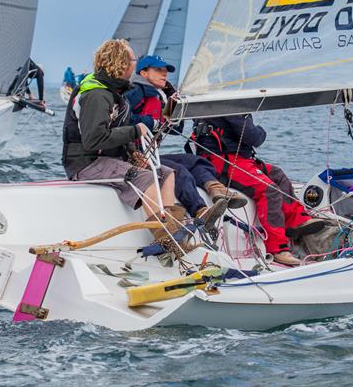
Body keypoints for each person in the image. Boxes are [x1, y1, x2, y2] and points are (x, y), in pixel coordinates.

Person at [61, 39, 186, 245]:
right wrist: (135, 131)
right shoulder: (97, 95)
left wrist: (131, 153)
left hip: (109, 159)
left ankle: (173, 227)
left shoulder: (114, 91)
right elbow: (93, 140)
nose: (135, 63)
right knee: (147, 178)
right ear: (121, 63)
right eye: (133, 59)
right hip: (86, 164)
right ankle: (168, 240)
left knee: (165, 173)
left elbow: (115, 128)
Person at [125, 55, 246, 220]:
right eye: (158, 70)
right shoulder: (135, 91)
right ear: (144, 73)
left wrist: (173, 99)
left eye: (166, 70)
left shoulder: (160, 96)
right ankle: (200, 211)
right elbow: (123, 117)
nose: (164, 73)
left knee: (196, 161)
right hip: (133, 157)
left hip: (151, 156)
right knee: (178, 171)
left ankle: (217, 190)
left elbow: (175, 129)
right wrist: (151, 123)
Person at [193, 114, 324, 266]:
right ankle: (277, 248)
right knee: (269, 191)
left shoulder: (224, 106)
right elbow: (254, 137)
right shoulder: (231, 108)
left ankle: (296, 220)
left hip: (237, 159)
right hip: (224, 162)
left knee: (278, 175)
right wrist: (261, 130)